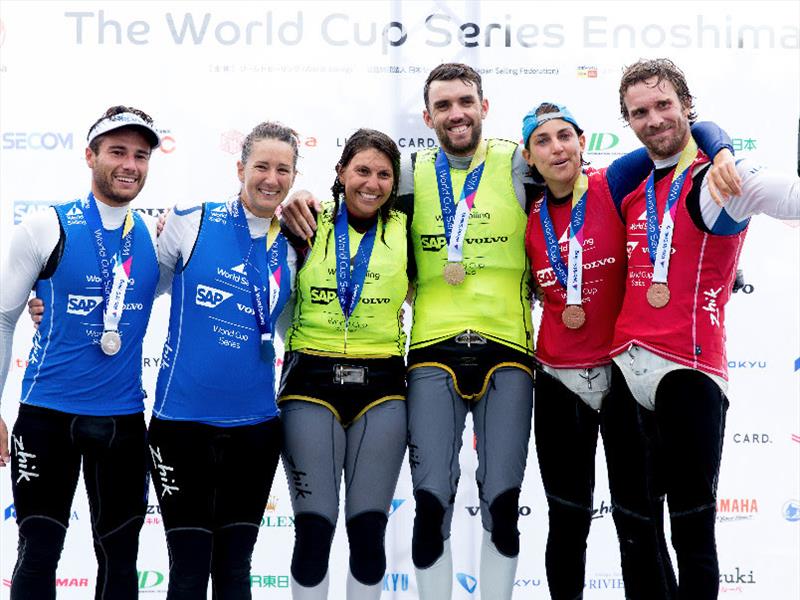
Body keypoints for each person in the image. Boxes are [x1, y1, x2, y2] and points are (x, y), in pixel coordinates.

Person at [280, 63, 534, 599]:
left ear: (484, 106)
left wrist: (710, 143)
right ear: (427, 117)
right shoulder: (404, 178)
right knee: (427, 503)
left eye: (465, 101)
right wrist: (293, 196)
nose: (456, 113)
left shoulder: (517, 159)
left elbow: (590, 180)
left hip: (506, 352)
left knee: (503, 504)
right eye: (443, 106)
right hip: (420, 358)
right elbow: (328, 214)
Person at [520, 101, 737, 600]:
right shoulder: (523, 209)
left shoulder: (613, 182)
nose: (557, 148)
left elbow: (687, 130)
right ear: (529, 158)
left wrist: (722, 148)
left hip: (623, 374)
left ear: (581, 142)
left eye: (565, 136)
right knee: (567, 522)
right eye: (543, 141)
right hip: (558, 379)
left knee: (637, 523)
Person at [603, 58, 800, 600]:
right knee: (634, 532)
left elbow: (788, 195)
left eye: (664, 105)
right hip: (624, 369)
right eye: (640, 112)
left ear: (687, 106)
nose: (655, 119)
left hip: (689, 372)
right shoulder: (627, 182)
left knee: (692, 532)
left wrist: (722, 148)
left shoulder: (723, 181)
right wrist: (717, 140)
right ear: (628, 120)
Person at [0, 106, 161, 600]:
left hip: (123, 422)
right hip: (47, 416)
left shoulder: (158, 236)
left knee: (120, 558)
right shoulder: (46, 225)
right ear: (90, 156)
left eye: (140, 154)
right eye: (117, 151)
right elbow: (5, 316)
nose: (130, 164)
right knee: (38, 551)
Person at [147, 121, 298, 599]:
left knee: (235, 571)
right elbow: (132, 296)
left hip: (255, 429)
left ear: (294, 177)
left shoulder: (296, 244)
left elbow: (294, 328)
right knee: (189, 572)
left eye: (283, 169)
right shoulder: (190, 221)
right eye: (261, 166)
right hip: (180, 425)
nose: (271, 179)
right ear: (240, 169)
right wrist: (47, 302)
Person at [277, 128, 407, 600]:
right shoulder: (305, 219)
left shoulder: (405, 226)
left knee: (369, 532)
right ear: (340, 172)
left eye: (383, 174)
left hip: (384, 388)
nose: (371, 184)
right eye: (362, 171)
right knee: (314, 530)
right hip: (310, 383)